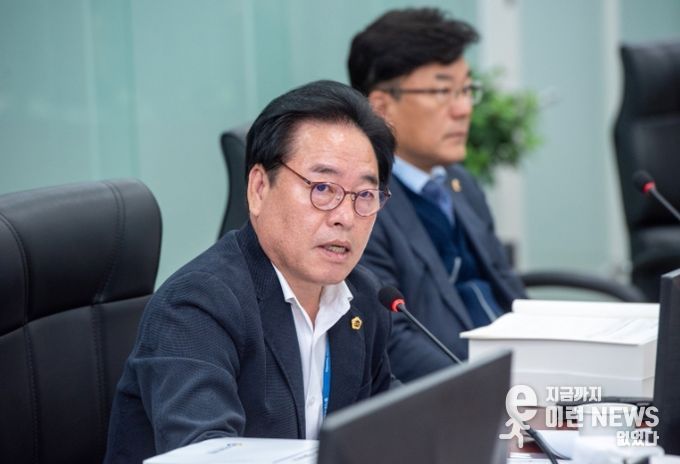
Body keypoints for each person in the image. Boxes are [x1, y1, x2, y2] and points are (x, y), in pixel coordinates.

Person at [104, 80, 396, 462]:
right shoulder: (196, 307)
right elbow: (207, 455)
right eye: (323, 188)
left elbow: (393, 430)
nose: (345, 217)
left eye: (365, 195)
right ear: (259, 188)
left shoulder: (364, 298)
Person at [348, 8, 527, 382]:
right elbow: (391, 340)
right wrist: (500, 386)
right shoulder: (361, 202)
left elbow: (508, 290)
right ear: (381, 107)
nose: (463, 109)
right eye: (443, 91)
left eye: (466, 90)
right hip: (465, 390)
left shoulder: (460, 184)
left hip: (520, 371)